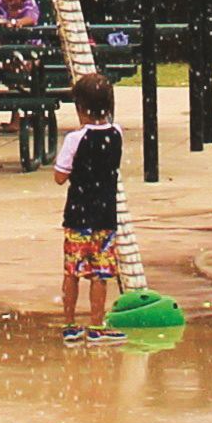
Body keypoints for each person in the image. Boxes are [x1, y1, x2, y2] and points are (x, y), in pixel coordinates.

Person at [53, 76, 125, 332]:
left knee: (72, 272)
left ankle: (70, 324)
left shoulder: (75, 139)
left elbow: (60, 176)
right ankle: (97, 325)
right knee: (101, 275)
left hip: (78, 216)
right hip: (105, 216)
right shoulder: (117, 134)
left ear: (79, 106)